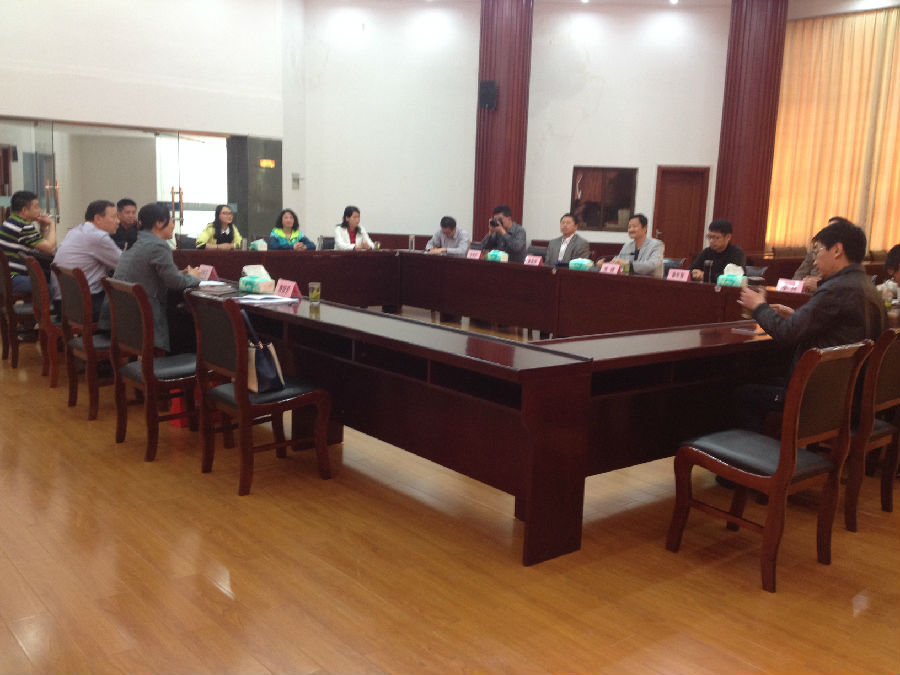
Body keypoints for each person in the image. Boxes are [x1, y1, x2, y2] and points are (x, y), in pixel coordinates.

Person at [736, 218, 886, 433]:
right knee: (764, 378)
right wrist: (796, 316)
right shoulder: (866, 285)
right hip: (848, 395)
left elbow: (786, 333)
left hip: (819, 398)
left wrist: (759, 306)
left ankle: (760, 453)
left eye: (818, 251)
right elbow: (839, 330)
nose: (814, 262)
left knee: (743, 392)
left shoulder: (836, 289)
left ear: (837, 250)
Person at [99, 203, 201, 352]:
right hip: (142, 317)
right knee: (189, 325)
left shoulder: (136, 239)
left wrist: (179, 273)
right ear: (159, 223)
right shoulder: (158, 245)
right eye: (171, 221)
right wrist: (193, 277)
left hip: (121, 315)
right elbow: (176, 283)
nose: (173, 225)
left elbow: (144, 273)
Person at [49, 199, 122, 320]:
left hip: (62, 303)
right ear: (98, 218)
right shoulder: (97, 236)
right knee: (133, 304)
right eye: (114, 217)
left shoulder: (76, 231)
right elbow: (124, 265)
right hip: (83, 305)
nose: (118, 221)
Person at [1, 190, 58, 293]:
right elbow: (50, 248)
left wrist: (43, 227)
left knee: (45, 279)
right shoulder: (24, 226)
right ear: (24, 210)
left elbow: (42, 247)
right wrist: (52, 224)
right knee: (50, 288)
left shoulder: (11, 221)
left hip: (6, 277)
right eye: (36, 207)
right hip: (14, 278)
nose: (39, 210)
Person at [610, 213, 664, 277]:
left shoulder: (656, 245)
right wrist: (603, 264)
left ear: (645, 228)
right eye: (629, 227)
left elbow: (652, 265)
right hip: (629, 280)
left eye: (634, 226)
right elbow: (617, 261)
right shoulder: (627, 246)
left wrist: (628, 264)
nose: (631, 229)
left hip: (651, 280)